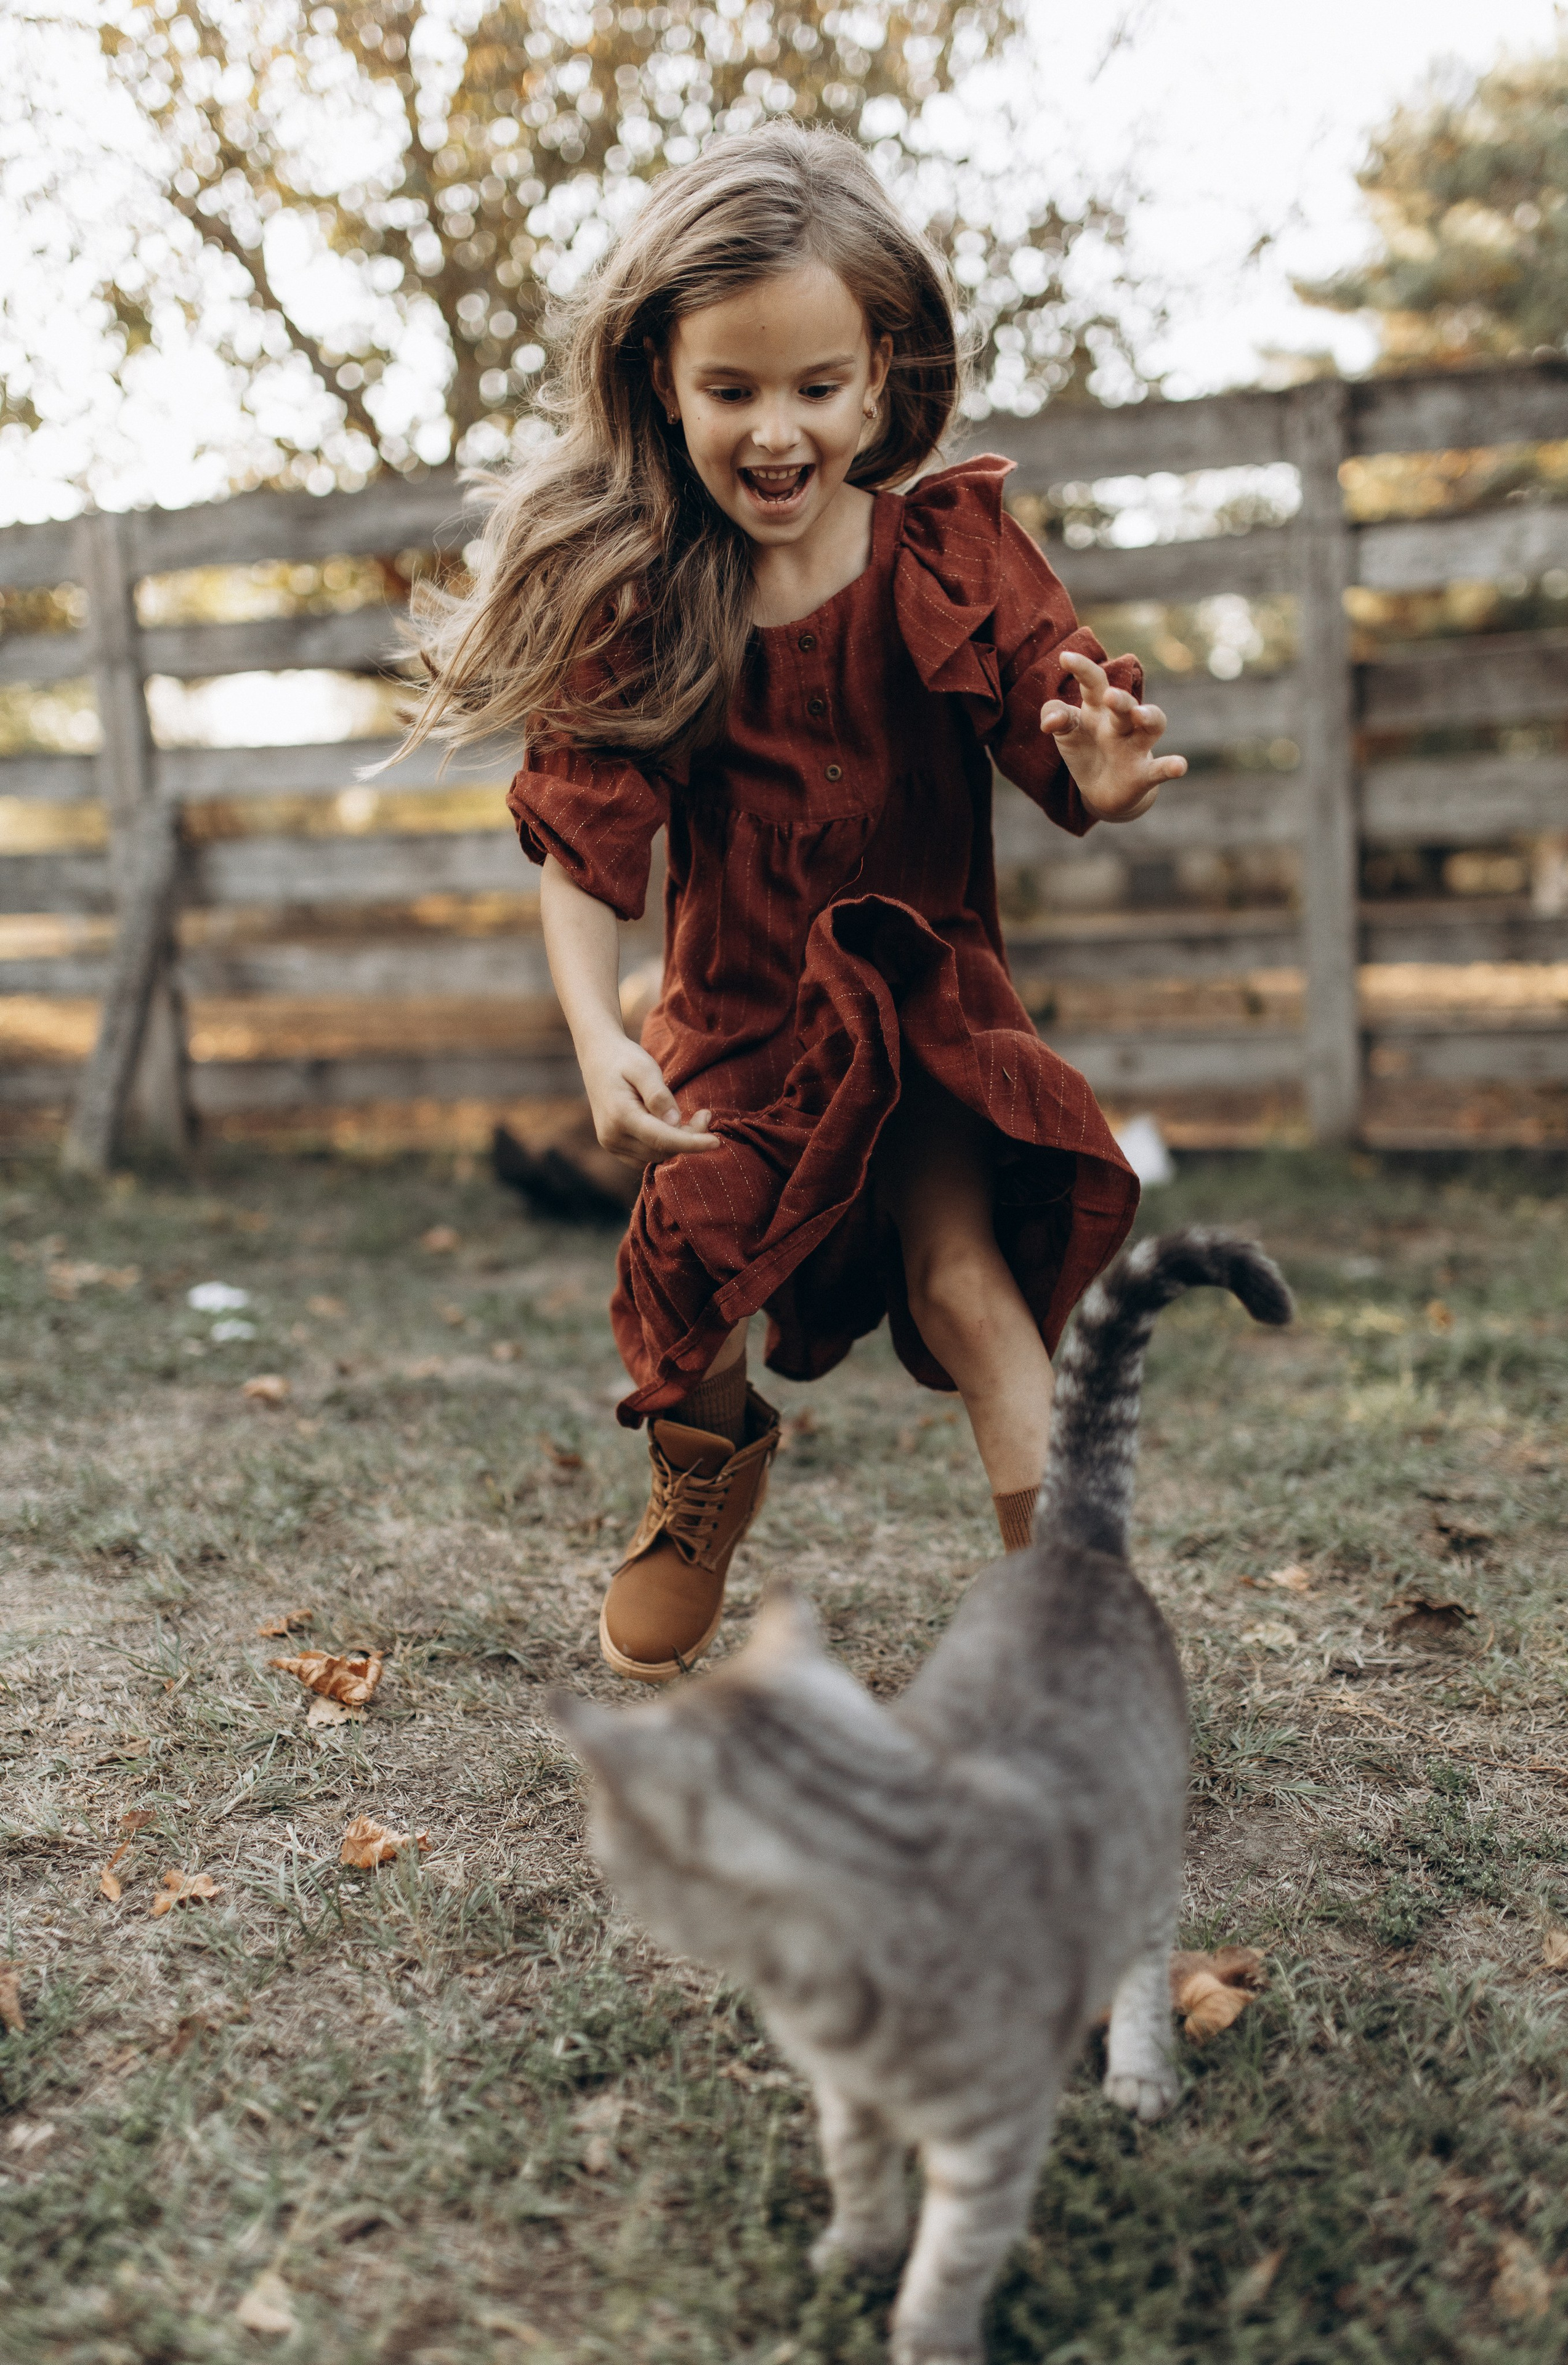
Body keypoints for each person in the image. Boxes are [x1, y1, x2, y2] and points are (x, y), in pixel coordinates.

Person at [403, 124, 1185, 1683]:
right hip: (737, 1029)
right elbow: (582, 844)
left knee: (963, 1281)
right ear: (662, 382)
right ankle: (702, 1486)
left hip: (923, 1015)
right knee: (688, 1266)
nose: (776, 432)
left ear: (880, 376)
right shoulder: (646, 601)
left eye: (815, 388)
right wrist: (595, 1036)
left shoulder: (949, 557)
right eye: (732, 391)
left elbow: (1051, 712)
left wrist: (1092, 776)